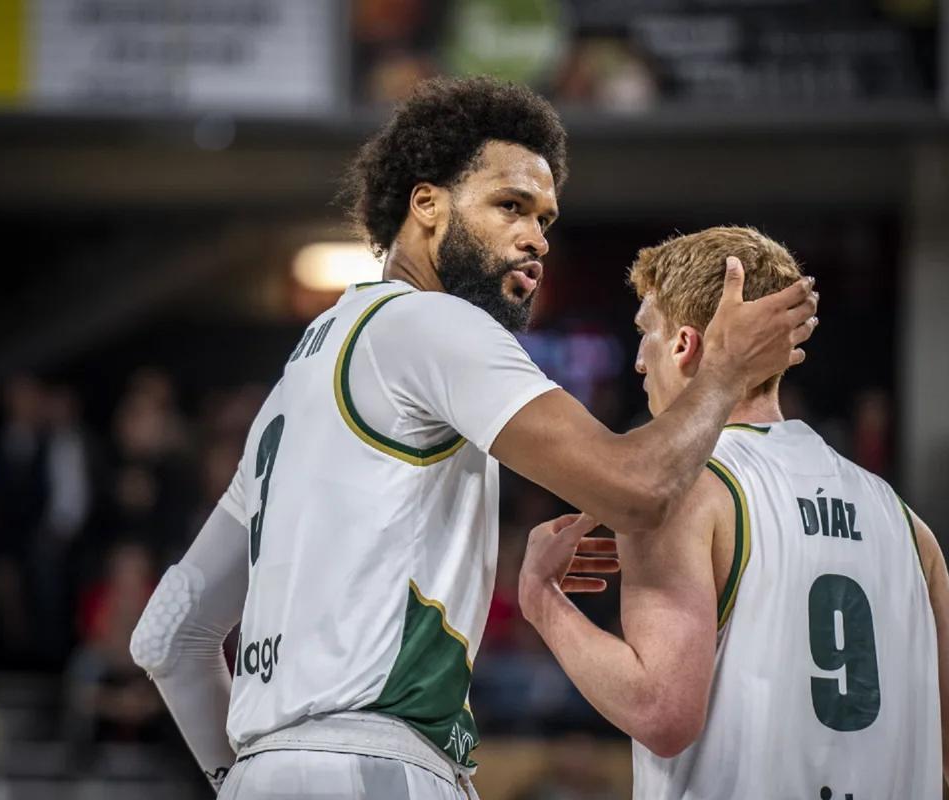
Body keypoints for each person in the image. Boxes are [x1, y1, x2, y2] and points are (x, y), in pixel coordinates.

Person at [129, 78, 817, 798]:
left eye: (545, 219)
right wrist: (724, 371)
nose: (535, 238)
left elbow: (171, 636)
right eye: (509, 206)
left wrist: (242, 781)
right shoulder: (435, 324)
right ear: (426, 206)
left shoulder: (295, 385)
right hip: (379, 763)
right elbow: (637, 488)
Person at [518, 226, 949, 799]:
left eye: (645, 334)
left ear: (684, 345)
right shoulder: (906, 523)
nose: (637, 361)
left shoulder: (677, 491)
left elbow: (662, 711)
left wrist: (542, 601)